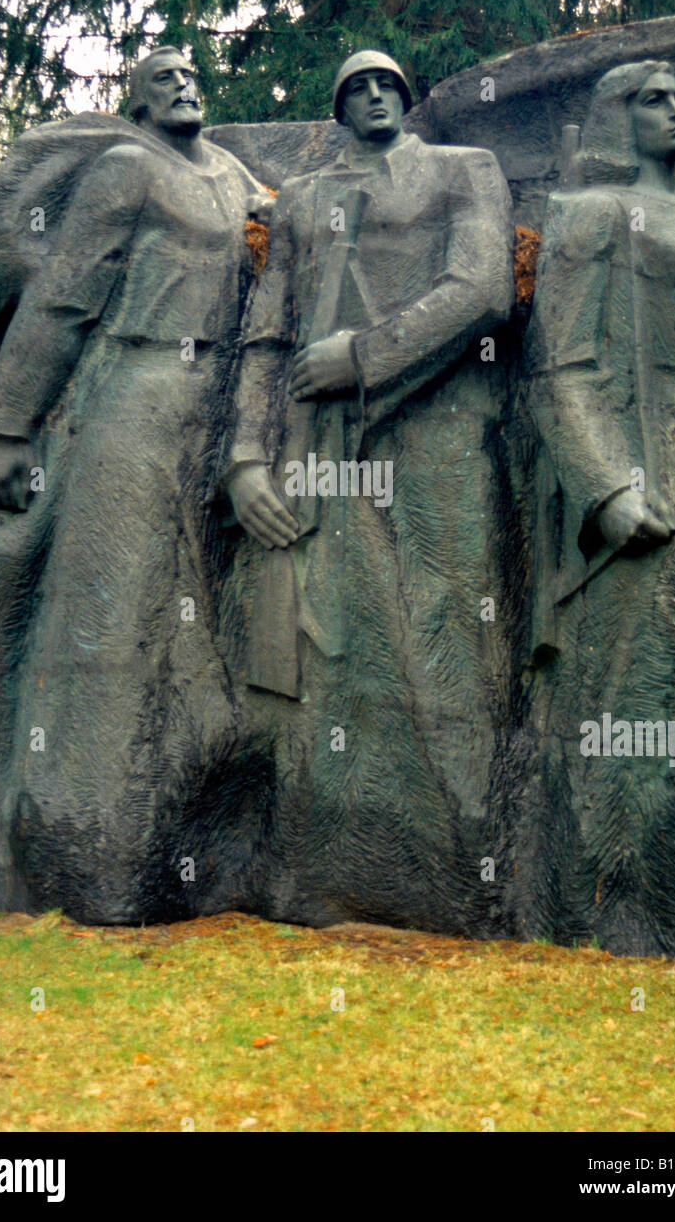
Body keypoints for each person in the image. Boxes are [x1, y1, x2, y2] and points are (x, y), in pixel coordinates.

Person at [0, 46, 269, 922]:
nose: (185, 86)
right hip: (136, 403)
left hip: (228, 405)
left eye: (192, 76)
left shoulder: (236, 178)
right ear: (138, 103)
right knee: (110, 610)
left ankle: (192, 831)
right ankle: (74, 848)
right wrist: (2, 424)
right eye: (164, 79)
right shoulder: (125, 170)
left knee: (200, 626)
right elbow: (65, 299)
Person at [221, 49, 516, 933]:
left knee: (449, 629)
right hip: (321, 448)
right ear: (340, 106)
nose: (377, 96)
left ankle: (462, 876)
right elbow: (268, 336)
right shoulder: (304, 199)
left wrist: (361, 356)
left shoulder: (464, 170)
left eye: (389, 83)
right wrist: (242, 456)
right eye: (358, 87)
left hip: (439, 429)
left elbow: (483, 289)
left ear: (407, 97)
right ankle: (332, 870)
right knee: (330, 645)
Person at [523, 60, 675, 978]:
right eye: (654, 99)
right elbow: (560, 366)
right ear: (616, 117)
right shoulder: (590, 217)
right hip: (657, 458)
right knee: (635, 693)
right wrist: (605, 487)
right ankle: (599, 906)